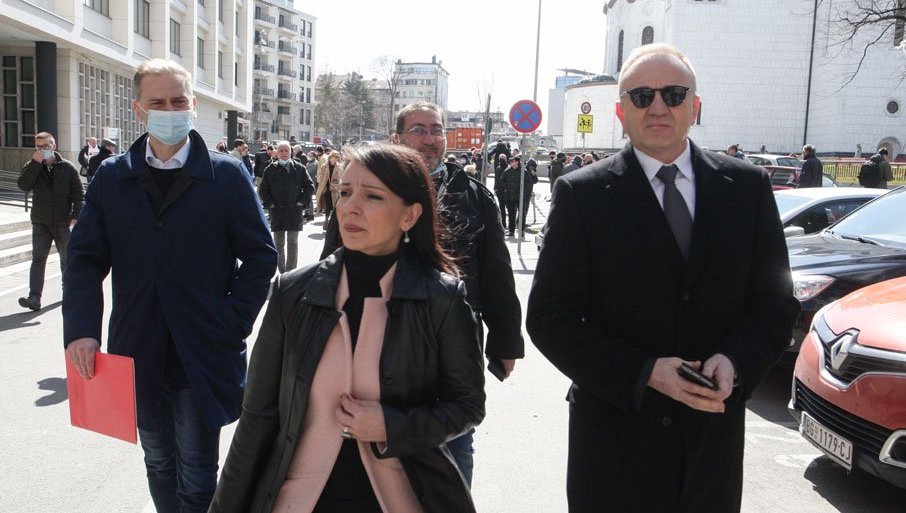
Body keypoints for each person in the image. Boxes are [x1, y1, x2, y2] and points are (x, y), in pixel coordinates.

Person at [526, 44, 799, 513]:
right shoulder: (581, 194)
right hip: (614, 445)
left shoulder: (747, 188)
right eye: (641, 96)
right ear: (621, 112)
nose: (657, 107)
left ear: (695, 106)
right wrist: (645, 372)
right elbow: (550, 318)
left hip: (711, 446)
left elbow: (774, 302)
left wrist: (736, 362)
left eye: (673, 94)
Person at [209, 143, 485, 513]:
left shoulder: (442, 299)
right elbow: (257, 417)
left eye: (372, 196)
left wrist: (391, 425)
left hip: (401, 498)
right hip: (297, 501)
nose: (350, 207)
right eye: (344, 192)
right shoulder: (293, 292)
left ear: (409, 215)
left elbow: (467, 405)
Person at [62, 59, 277, 513]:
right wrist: (81, 330)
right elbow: (83, 261)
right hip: (138, 347)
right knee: (158, 463)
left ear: (193, 104)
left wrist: (232, 321)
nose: (169, 110)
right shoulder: (112, 177)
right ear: (138, 109)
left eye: (178, 101)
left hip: (202, 349)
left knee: (198, 477)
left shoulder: (227, 176)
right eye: (157, 102)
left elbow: (261, 256)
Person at [321, 102, 524, 486]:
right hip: (373, 342)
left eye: (436, 130)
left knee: (450, 458)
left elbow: (496, 273)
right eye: (418, 130)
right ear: (396, 137)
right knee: (373, 468)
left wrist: (505, 340)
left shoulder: (473, 196)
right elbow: (331, 265)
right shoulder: (363, 193)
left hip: (448, 347)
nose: (429, 139)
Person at [16, 131, 84, 311]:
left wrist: (75, 216)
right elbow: (24, 185)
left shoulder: (67, 167)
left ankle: (69, 293)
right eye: (38, 147)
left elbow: (79, 194)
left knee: (66, 260)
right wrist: (35, 164)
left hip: (63, 222)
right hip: (41, 222)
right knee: (38, 260)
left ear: (53, 146)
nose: (42, 150)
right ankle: (34, 298)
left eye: (45, 146)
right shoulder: (32, 166)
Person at [258, 140, 315, 273]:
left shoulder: (299, 168)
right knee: (279, 244)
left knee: (293, 242)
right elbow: (263, 190)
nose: (284, 153)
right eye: (281, 150)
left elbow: (309, 186)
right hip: (277, 211)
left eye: (286, 150)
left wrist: (302, 202)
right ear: (277, 152)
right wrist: (270, 203)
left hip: (294, 211)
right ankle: (282, 271)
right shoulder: (270, 169)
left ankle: (291, 272)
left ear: (291, 152)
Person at [500, 156, 522, 236]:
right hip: (509, 196)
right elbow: (501, 181)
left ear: (517, 162)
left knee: (521, 213)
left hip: (519, 196)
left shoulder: (522, 171)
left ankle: (521, 230)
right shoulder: (507, 171)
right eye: (510, 162)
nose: (511, 163)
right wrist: (507, 187)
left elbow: (527, 183)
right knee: (511, 214)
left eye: (513, 161)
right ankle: (511, 231)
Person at [316, 150, 341, 221]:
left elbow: (341, 178)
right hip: (325, 188)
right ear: (331, 157)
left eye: (338, 157)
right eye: (335, 157)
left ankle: (334, 221)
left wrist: (336, 185)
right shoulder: (324, 166)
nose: (337, 158)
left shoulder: (339, 167)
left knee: (335, 205)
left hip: (334, 189)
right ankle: (326, 220)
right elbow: (321, 177)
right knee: (327, 205)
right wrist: (321, 186)